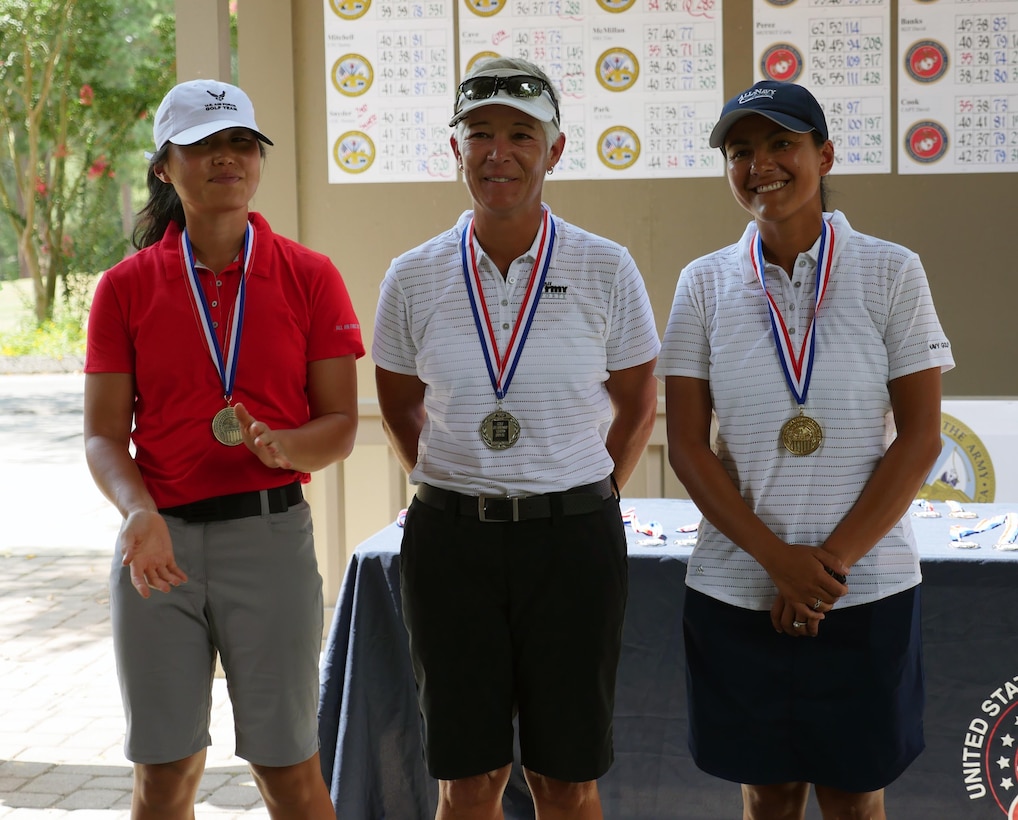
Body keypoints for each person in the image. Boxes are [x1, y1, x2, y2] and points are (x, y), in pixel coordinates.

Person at [658, 80, 955, 820]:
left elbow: (920, 437)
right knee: (770, 797)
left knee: (855, 799)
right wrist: (778, 563)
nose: (760, 164)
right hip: (738, 586)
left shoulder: (892, 271)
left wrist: (826, 571)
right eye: (741, 151)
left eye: (781, 144)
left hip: (866, 586)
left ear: (823, 154)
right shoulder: (702, 284)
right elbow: (689, 446)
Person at [373, 57, 660, 820]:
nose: (499, 152)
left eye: (520, 134)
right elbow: (400, 405)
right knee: (468, 784)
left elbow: (637, 404)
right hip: (451, 544)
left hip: (572, 543)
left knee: (567, 784)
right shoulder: (412, 275)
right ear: (457, 150)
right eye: (481, 134)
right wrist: (457, 482)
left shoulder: (607, 267)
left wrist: (588, 491)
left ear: (555, 150)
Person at [83, 79, 363, 820]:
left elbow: (341, 423)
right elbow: (104, 435)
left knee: (288, 771)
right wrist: (137, 511)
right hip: (157, 547)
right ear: (164, 168)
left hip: (268, 539)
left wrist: (286, 446)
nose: (225, 159)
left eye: (240, 143)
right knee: (166, 773)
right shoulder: (124, 288)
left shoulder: (311, 275)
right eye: (203, 146)